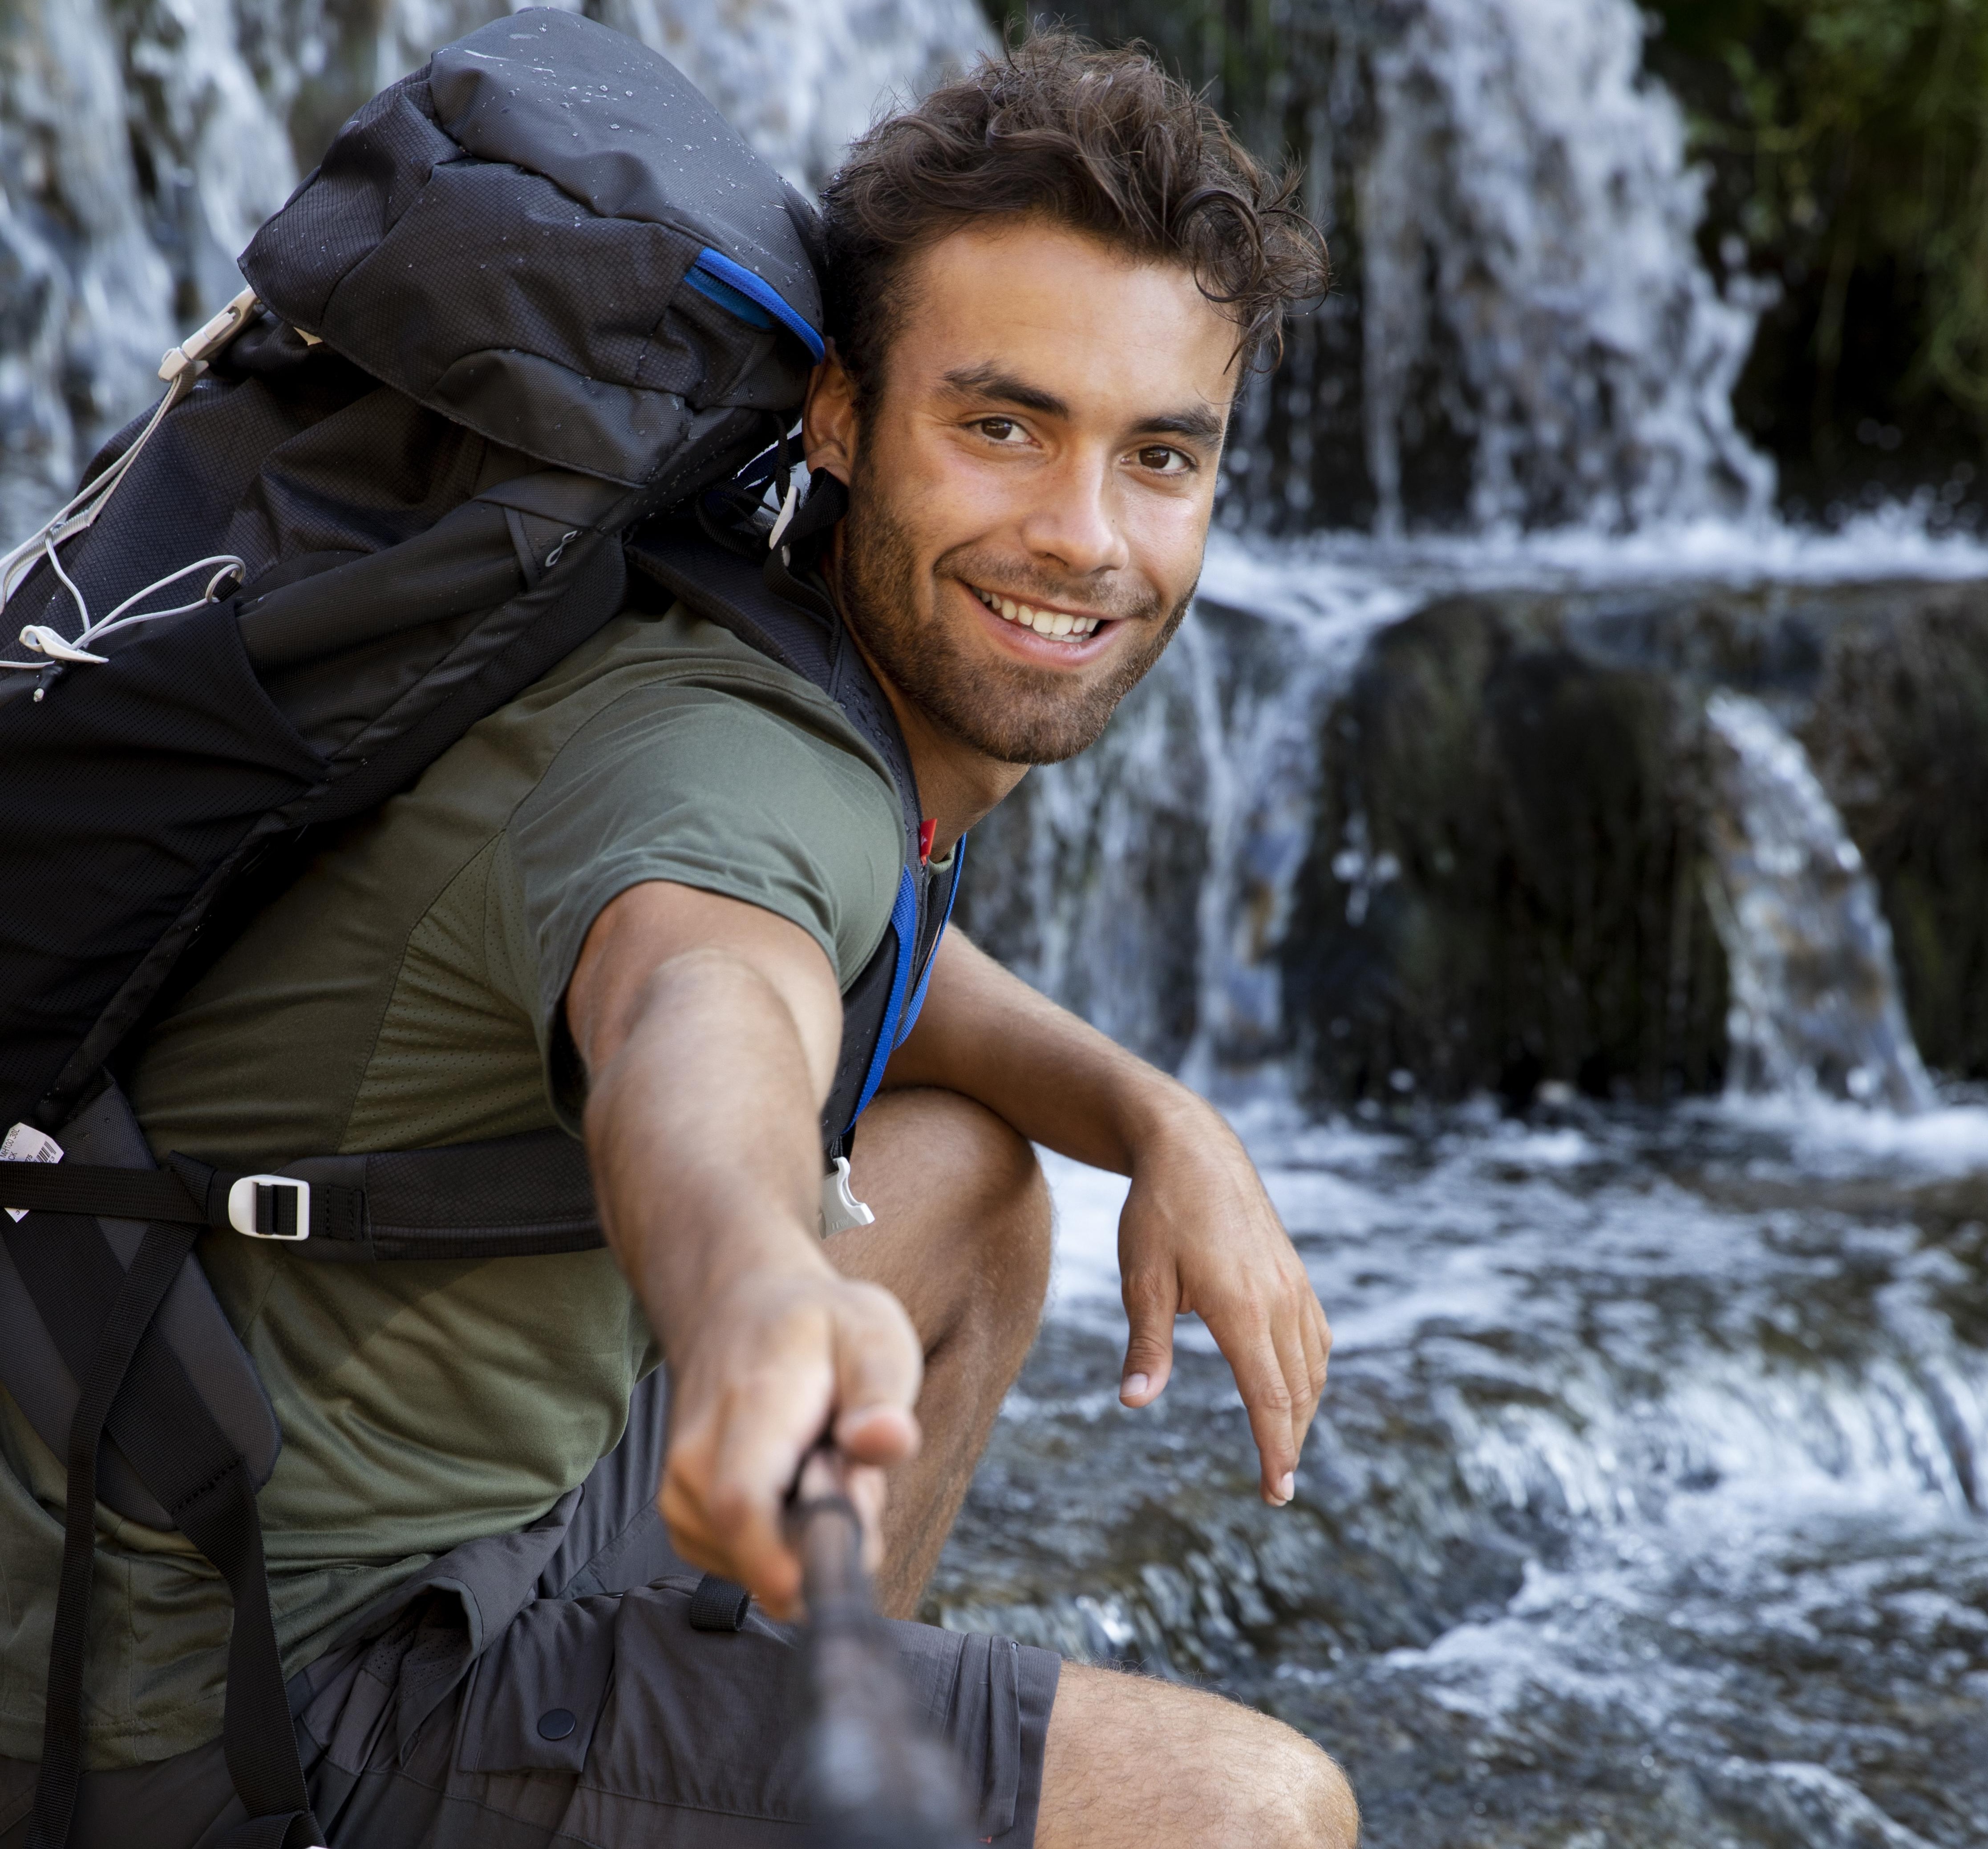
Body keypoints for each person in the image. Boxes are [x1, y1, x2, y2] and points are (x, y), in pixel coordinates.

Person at [0, 31, 1354, 1849]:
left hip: (354, 1493)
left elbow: (841, 955)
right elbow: (689, 998)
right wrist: (754, 1302)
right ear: (843, 417)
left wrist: (1152, 1116)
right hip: (225, 1679)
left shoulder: (707, 618)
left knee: (967, 1185)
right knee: (1246, 1812)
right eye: (1004, 425)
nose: (1084, 539)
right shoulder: (728, 766)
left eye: (1161, 455)